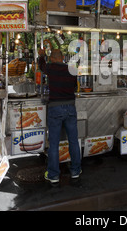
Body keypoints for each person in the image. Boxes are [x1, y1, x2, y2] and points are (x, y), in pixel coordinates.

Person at [38, 48, 81, 184]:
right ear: (62, 58)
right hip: (70, 108)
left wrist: (41, 55)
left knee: (54, 144)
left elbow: (41, 66)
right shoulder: (72, 69)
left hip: (55, 108)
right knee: (73, 141)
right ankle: (75, 171)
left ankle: (53, 175)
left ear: (52, 58)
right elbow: (75, 86)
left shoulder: (50, 67)